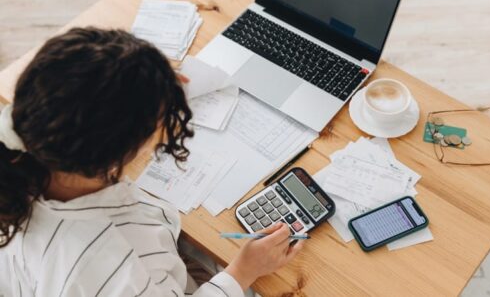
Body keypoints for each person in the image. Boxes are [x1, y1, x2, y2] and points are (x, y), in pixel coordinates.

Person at [0, 28, 304, 296]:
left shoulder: (27, 137)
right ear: (116, 153)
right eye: (160, 120)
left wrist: (157, 84)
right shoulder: (104, 267)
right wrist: (243, 271)